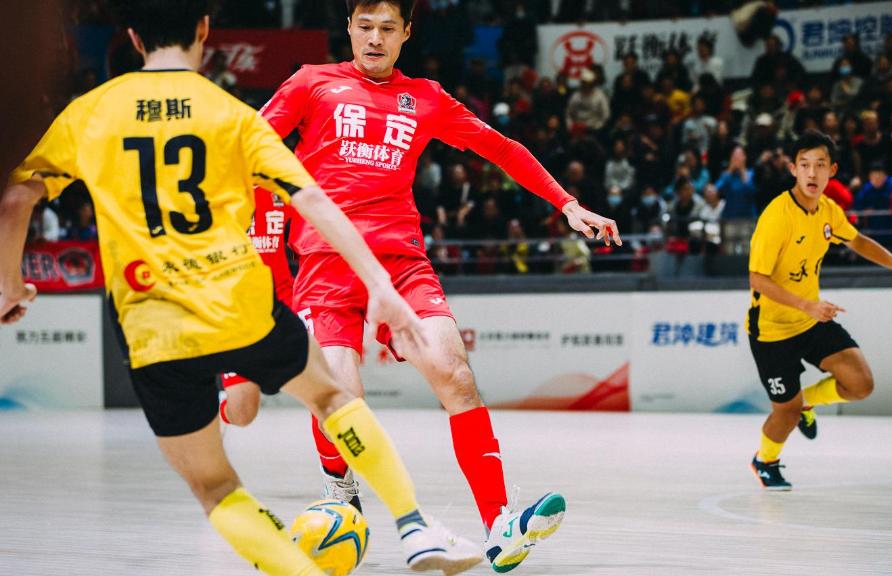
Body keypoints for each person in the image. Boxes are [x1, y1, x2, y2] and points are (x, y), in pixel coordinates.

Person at [0, 1, 484, 574]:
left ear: (131, 37)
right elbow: (310, 198)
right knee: (333, 400)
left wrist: (11, 287)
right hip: (237, 300)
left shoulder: (92, 112)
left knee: (215, 486)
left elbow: (17, 199)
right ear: (204, 29)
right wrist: (379, 282)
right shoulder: (230, 113)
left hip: (153, 324)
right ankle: (414, 526)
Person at [251, 0, 621, 572]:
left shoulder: (425, 97)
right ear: (349, 28)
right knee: (340, 397)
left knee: (455, 374)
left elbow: (500, 148)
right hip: (326, 262)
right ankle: (339, 487)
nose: (375, 39)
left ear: (406, 33)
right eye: (365, 27)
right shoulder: (311, 83)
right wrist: (261, 246)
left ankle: (500, 525)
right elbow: (251, 151)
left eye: (387, 28)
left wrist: (566, 204)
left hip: (401, 261)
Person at [746, 130, 892, 490]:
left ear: (832, 170)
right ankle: (765, 461)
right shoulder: (777, 216)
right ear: (793, 170)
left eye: (820, 165)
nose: (812, 173)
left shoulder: (829, 210)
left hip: (810, 319)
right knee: (785, 413)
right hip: (772, 330)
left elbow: (858, 240)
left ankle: (806, 403)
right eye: (804, 165)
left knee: (860, 384)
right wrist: (807, 304)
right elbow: (757, 279)